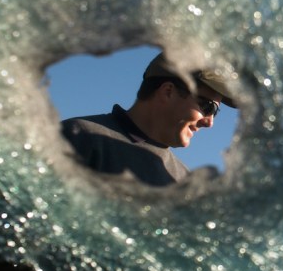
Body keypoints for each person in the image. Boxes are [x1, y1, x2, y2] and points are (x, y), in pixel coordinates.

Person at [60, 53, 236, 187]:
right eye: (208, 107)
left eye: (216, 112)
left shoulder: (183, 180)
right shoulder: (80, 136)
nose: (209, 122)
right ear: (168, 92)